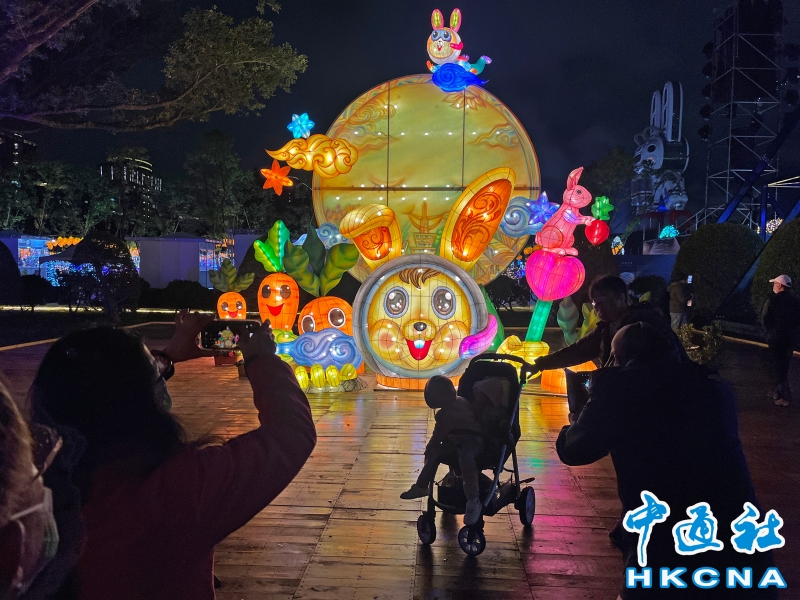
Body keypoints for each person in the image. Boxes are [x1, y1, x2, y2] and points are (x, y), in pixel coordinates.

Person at [29, 311, 316, 599]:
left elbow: (105, 387)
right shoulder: (179, 489)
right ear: (142, 403)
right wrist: (261, 359)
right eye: (157, 375)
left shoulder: (31, 486)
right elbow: (291, 432)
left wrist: (166, 358)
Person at [556, 323, 776, 599]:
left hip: (667, 537)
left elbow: (575, 450)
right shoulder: (714, 385)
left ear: (621, 359)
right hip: (741, 532)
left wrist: (577, 419)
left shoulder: (619, 387)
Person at [533, 275, 687, 373]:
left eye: (602, 302)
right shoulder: (606, 327)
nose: (597, 309)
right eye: (594, 304)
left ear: (621, 297)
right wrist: (540, 364)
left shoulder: (644, 324)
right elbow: (579, 350)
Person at [400, 376, 485, 525]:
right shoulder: (462, 400)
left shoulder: (446, 413)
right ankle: (422, 485)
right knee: (445, 454)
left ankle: (473, 499)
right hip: (465, 441)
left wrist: (430, 447)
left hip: (470, 441)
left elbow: (438, 435)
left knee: (462, 459)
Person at [761, 274, 800, 407]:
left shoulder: (772, 300)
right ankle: (780, 390)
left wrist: (768, 332)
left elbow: (765, 318)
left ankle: (779, 394)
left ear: (779, 285)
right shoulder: (795, 302)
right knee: (784, 365)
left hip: (775, 338)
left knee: (777, 365)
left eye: (774, 283)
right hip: (789, 340)